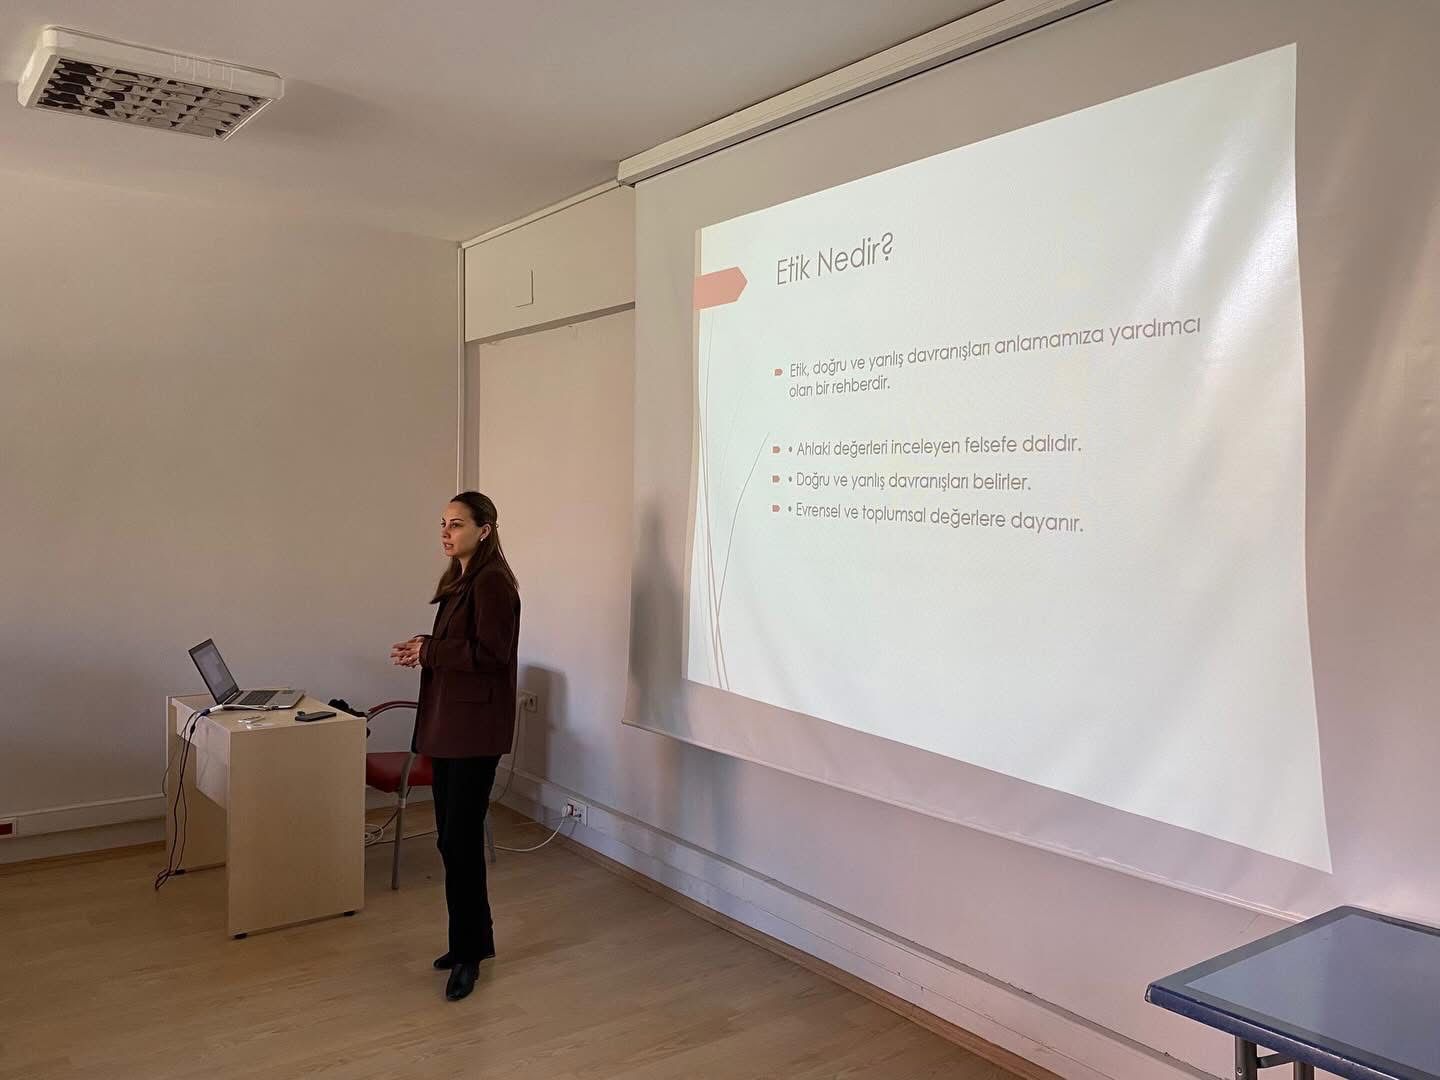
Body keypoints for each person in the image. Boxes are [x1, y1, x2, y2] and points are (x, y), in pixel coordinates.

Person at [390, 491, 520, 1002]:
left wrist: (432, 650)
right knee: (450, 841)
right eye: (443, 523)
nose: (446, 532)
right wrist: (424, 648)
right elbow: (460, 647)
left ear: (484, 530)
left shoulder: (493, 582)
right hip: (449, 728)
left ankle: (469, 955)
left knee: (460, 843)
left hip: (473, 733)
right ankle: (472, 941)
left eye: (457, 524)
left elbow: (492, 654)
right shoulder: (461, 579)